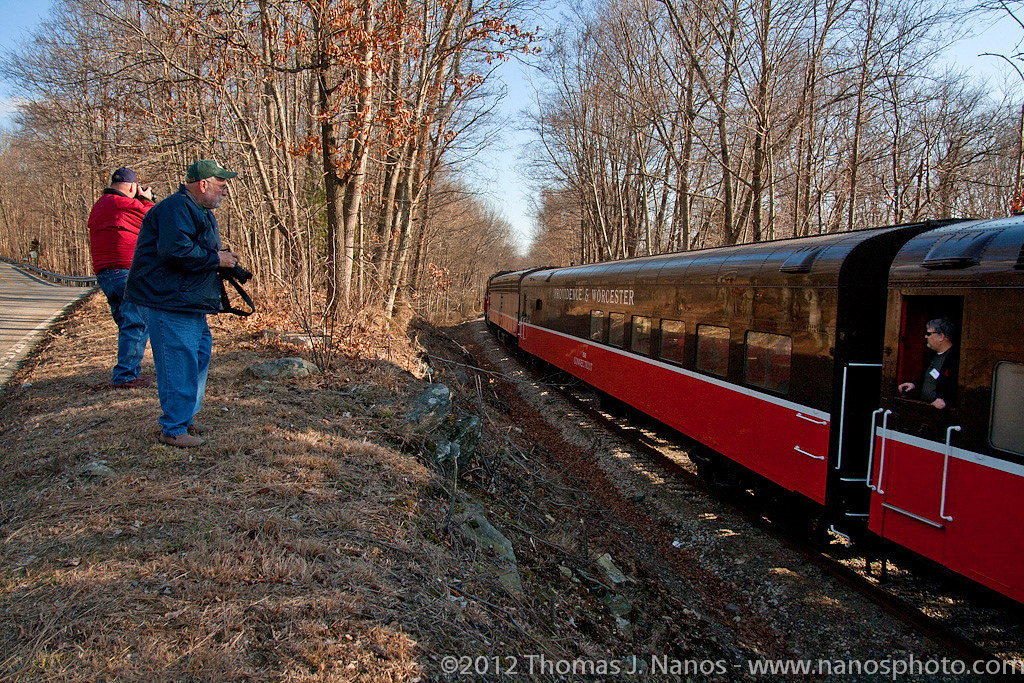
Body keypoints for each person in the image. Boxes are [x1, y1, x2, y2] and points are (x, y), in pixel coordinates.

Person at [125, 159, 240, 448]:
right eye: (222, 185)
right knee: (178, 362)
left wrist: (223, 259)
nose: (225, 192)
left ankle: (184, 419)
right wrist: (216, 259)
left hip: (188, 302)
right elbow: (175, 252)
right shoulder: (176, 208)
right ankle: (173, 428)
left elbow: (191, 249)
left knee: (197, 357)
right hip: (169, 301)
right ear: (203, 184)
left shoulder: (196, 210)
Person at [87, 166, 156, 388]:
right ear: (132, 187)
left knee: (127, 322)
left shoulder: (99, 205)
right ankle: (126, 376)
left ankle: (128, 371)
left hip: (105, 273)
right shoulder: (123, 204)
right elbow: (153, 217)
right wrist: (146, 199)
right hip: (125, 272)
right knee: (136, 322)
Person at [898, 317, 958, 410]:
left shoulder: (955, 358)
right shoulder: (932, 355)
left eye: (929, 333)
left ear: (941, 337)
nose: (926, 336)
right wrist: (914, 385)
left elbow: (956, 388)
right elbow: (929, 377)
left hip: (940, 413)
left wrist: (946, 401)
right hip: (925, 408)